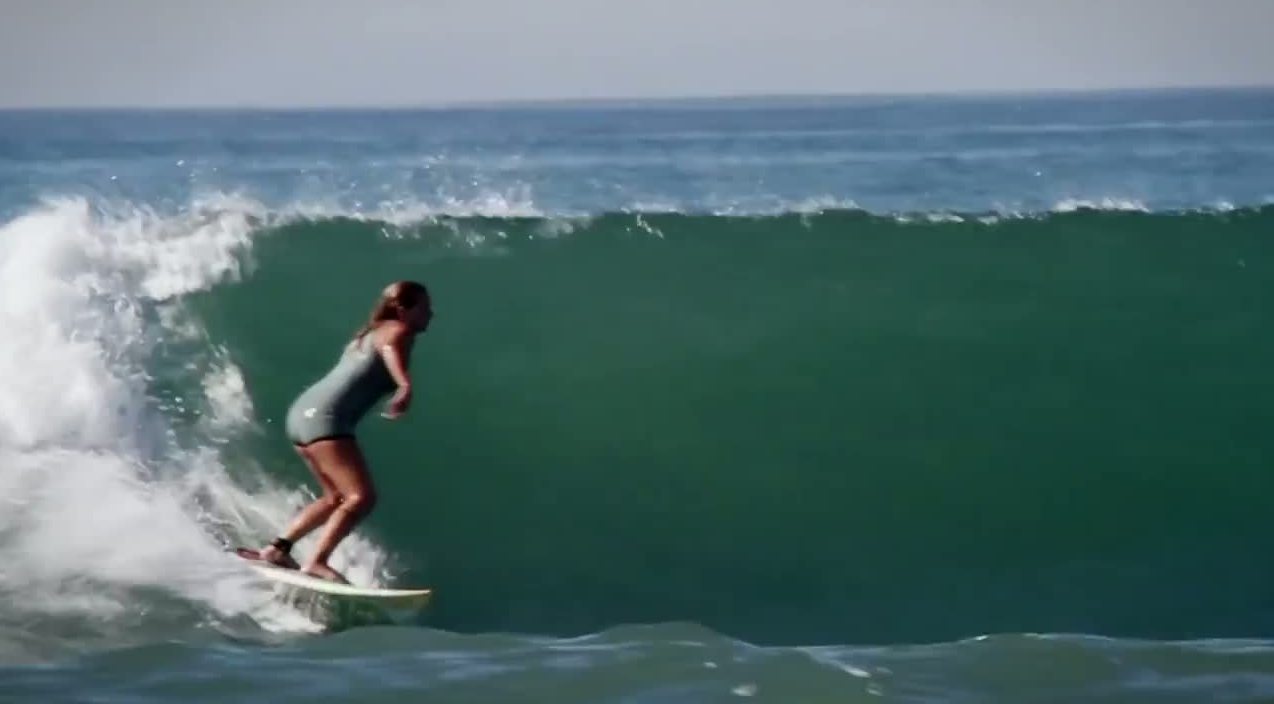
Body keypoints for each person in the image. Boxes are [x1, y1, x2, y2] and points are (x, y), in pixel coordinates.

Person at [239, 280, 433, 583]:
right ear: (403, 309)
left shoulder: (366, 334)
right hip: (326, 419)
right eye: (424, 307)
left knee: (335, 498)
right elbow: (389, 347)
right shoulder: (396, 330)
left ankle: (277, 549)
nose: (430, 314)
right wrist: (404, 384)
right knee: (361, 497)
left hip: (302, 414)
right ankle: (317, 562)